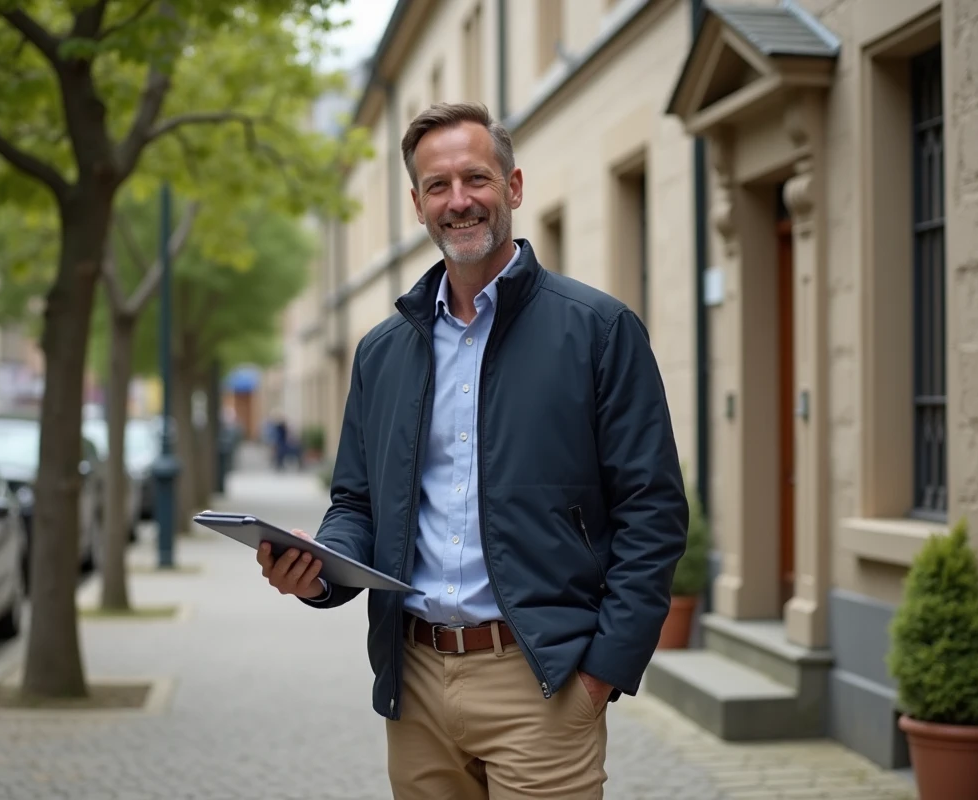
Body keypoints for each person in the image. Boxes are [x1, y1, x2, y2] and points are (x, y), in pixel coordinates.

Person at [256, 101, 689, 799]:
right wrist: (320, 572)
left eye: (475, 178)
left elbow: (653, 511)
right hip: (415, 684)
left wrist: (601, 672)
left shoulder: (599, 330)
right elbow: (357, 503)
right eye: (438, 186)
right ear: (418, 205)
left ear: (512, 187)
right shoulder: (381, 352)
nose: (458, 200)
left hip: (541, 681)